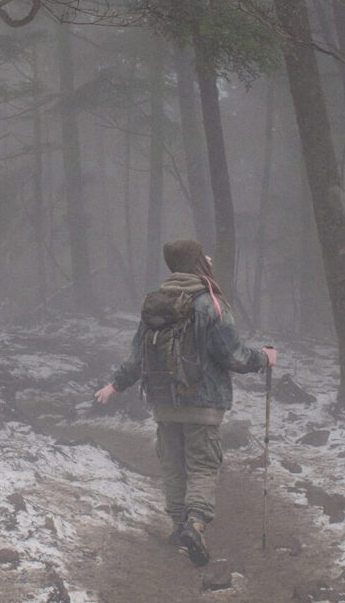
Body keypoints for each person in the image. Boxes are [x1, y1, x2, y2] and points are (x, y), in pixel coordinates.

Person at [94, 239, 275, 566]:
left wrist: (115, 385)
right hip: (203, 404)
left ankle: (178, 527)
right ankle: (195, 525)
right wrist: (264, 358)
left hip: (163, 403)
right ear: (196, 262)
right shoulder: (210, 303)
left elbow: (138, 355)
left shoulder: (155, 303)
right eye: (203, 255)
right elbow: (233, 355)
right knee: (203, 465)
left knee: (174, 466)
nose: (209, 258)